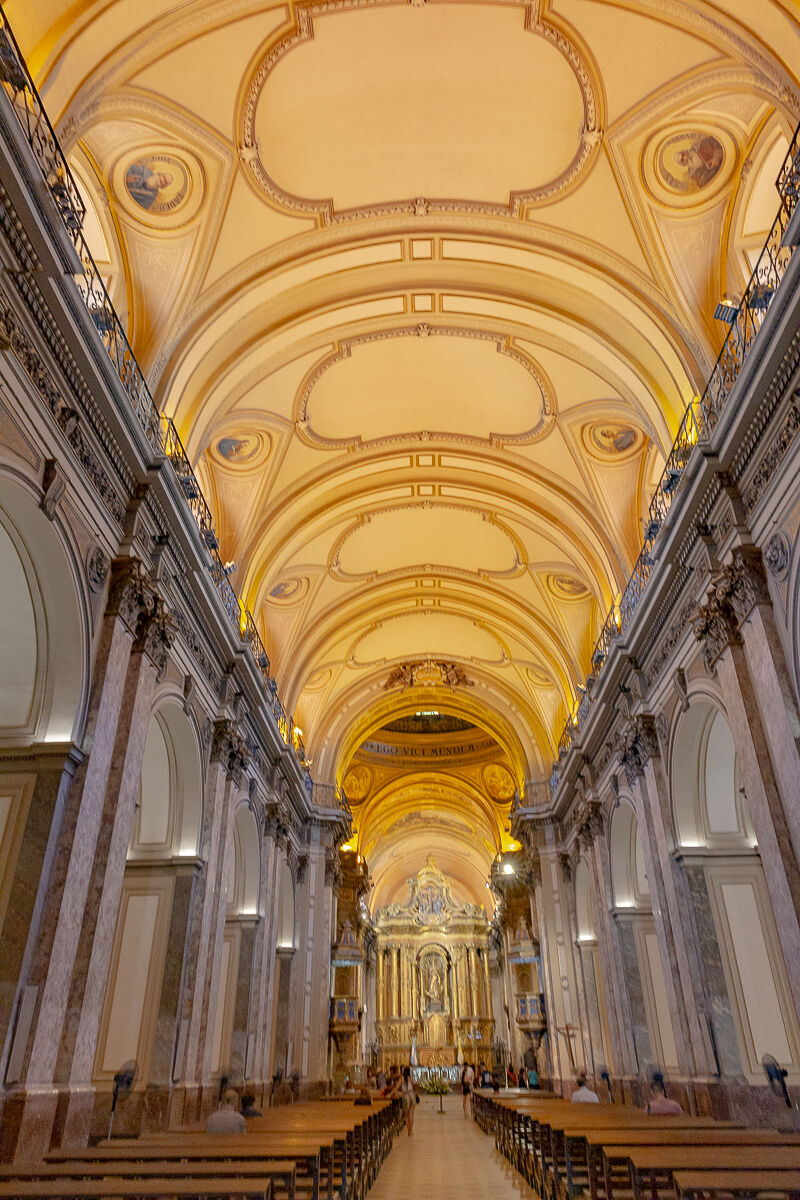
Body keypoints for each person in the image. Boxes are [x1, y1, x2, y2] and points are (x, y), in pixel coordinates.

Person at [400, 1065, 419, 1135]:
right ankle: (410, 1131)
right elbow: (415, 1086)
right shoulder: (411, 1078)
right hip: (412, 1096)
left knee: (406, 1115)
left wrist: (390, 1093)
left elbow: (396, 1088)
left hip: (405, 1097)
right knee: (411, 1115)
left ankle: (408, 1130)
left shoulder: (401, 1078)